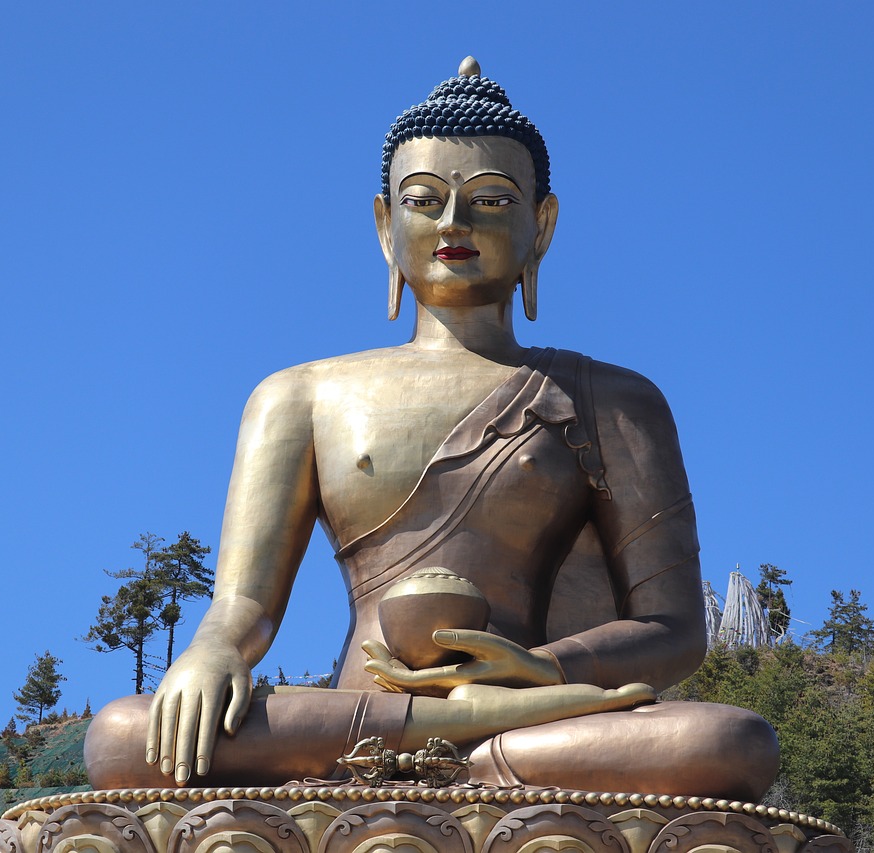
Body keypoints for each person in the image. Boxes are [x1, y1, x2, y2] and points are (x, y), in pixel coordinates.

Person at [85, 58, 779, 800]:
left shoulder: (613, 400)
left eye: (488, 200)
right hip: (367, 711)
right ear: (385, 224)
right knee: (126, 736)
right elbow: (242, 607)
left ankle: (439, 760)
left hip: (531, 713)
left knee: (729, 743)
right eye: (424, 200)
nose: (453, 224)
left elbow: (674, 630)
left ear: (540, 226)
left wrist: (545, 671)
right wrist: (211, 651)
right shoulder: (299, 396)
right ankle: (450, 755)